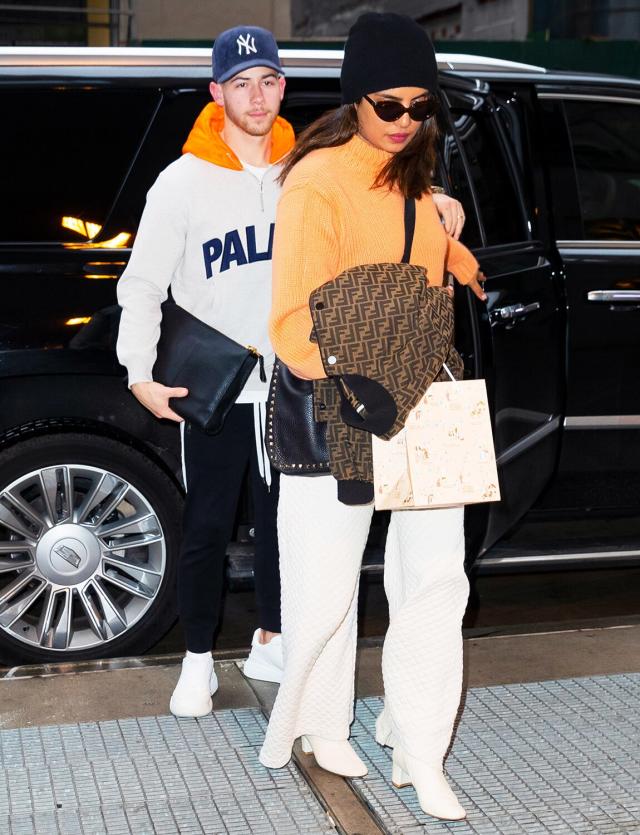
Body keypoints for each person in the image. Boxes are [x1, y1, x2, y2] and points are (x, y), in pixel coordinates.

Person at [259, 13, 486, 823]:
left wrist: (454, 238)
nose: (405, 122)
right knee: (323, 588)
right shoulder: (316, 181)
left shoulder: (417, 183)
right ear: (355, 99)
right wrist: (352, 379)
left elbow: (425, 267)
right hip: (339, 401)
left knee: (437, 582)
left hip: (426, 398)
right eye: (388, 105)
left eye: (421, 108)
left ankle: (421, 748)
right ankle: (320, 724)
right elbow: (290, 322)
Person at [116, 26, 293, 717]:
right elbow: (142, 284)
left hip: (291, 387)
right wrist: (139, 373)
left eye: (268, 80)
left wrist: (438, 199)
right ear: (217, 93)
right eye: (241, 83)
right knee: (207, 527)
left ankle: (273, 636)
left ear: (283, 87)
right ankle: (196, 660)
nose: (256, 96)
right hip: (215, 392)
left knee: (285, 526)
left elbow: (382, 191)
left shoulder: (305, 169)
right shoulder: (182, 180)